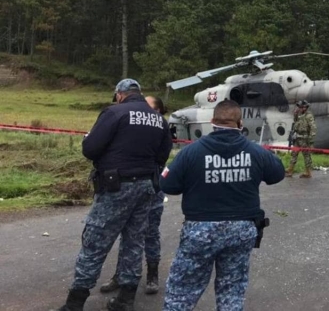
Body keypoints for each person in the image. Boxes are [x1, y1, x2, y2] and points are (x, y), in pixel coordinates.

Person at [57, 79, 173, 311]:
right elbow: (163, 154)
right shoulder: (158, 119)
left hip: (116, 187)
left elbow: (90, 149)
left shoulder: (114, 113)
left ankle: (75, 303)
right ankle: (125, 300)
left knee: (95, 241)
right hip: (146, 188)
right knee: (134, 242)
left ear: (119, 94)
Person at [160, 99, 285, 311]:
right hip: (242, 230)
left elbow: (167, 184)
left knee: (183, 290)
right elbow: (277, 174)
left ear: (212, 121)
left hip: (200, 231)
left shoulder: (191, 152)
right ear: (240, 123)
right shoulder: (256, 152)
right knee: (232, 289)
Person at [99, 95, 169, 295]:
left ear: (157, 112)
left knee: (150, 233)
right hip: (131, 187)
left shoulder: (159, 131)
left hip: (152, 188)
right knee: (127, 235)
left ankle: (152, 274)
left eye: (148, 107)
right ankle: (121, 276)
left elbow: (160, 159)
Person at [285, 100, 316, 178]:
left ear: (305, 107)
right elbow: (296, 122)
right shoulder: (299, 115)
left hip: (304, 139)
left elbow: (313, 127)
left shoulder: (309, 116)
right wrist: (295, 114)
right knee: (294, 154)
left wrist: (311, 139)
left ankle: (308, 172)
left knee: (306, 155)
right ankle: (290, 170)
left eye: (301, 107)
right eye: (299, 107)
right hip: (297, 138)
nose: (299, 108)